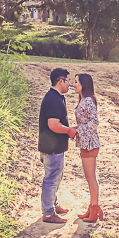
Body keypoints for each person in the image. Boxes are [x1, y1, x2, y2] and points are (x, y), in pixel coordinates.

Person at [38, 68, 76, 223]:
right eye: (68, 81)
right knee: (51, 179)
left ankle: (53, 205)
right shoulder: (54, 100)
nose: (70, 84)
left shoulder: (55, 97)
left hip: (51, 146)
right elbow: (53, 124)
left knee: (55, 177)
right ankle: (48, 213)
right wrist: (69, 131)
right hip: (51, 148)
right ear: (61, 81)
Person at [73, 73, 104, 222]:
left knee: (91, 178)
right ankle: (92, 207)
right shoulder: (84, 100)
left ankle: (95, 210)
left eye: (76, 82)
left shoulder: (89, 102)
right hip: (85, 144)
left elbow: (94, 123)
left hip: (90, 144)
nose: (74, 84)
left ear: (83, 84)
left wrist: (77, 131)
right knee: (89, 177)